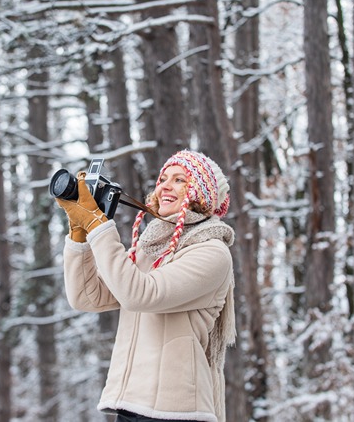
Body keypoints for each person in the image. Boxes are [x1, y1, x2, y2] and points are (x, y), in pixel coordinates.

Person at [56, 150, 236, 422]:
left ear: (202, 193)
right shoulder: (150, 249)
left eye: (179, 180)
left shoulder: (211, 252)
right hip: (130, 406)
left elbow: (138, 294)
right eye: (163, 178)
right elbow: (86, 297)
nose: (164, 185)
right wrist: (80, 233)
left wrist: (97, 223)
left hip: (175, 412)